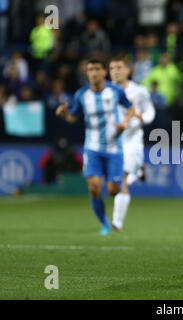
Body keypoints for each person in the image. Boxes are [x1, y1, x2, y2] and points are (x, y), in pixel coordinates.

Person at [55, 58, 135, 235]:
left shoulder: (115, 91)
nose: (93, 72)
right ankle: (105, 224)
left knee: (114, 190)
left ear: (104, 72)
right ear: (87, 73)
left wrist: (124, 123)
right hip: (92, 148)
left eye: (97, 69)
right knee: (94, 187)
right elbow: (73, 117)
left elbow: (131, 108)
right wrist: (63, 115)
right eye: (90, 69)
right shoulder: (81, 95)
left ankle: (112, 207)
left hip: (114, 148)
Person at [109, 55, 156, 232]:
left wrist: (141, 117)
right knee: (112, 182)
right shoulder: (105, 92)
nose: (116, 71)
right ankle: (138, 171)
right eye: (112, 68)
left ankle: (117, 223)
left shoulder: (139, 91)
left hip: (131, 139)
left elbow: (150, 111)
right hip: (112, 141)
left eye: (119, 67)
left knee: (122, 180)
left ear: (128, 70)